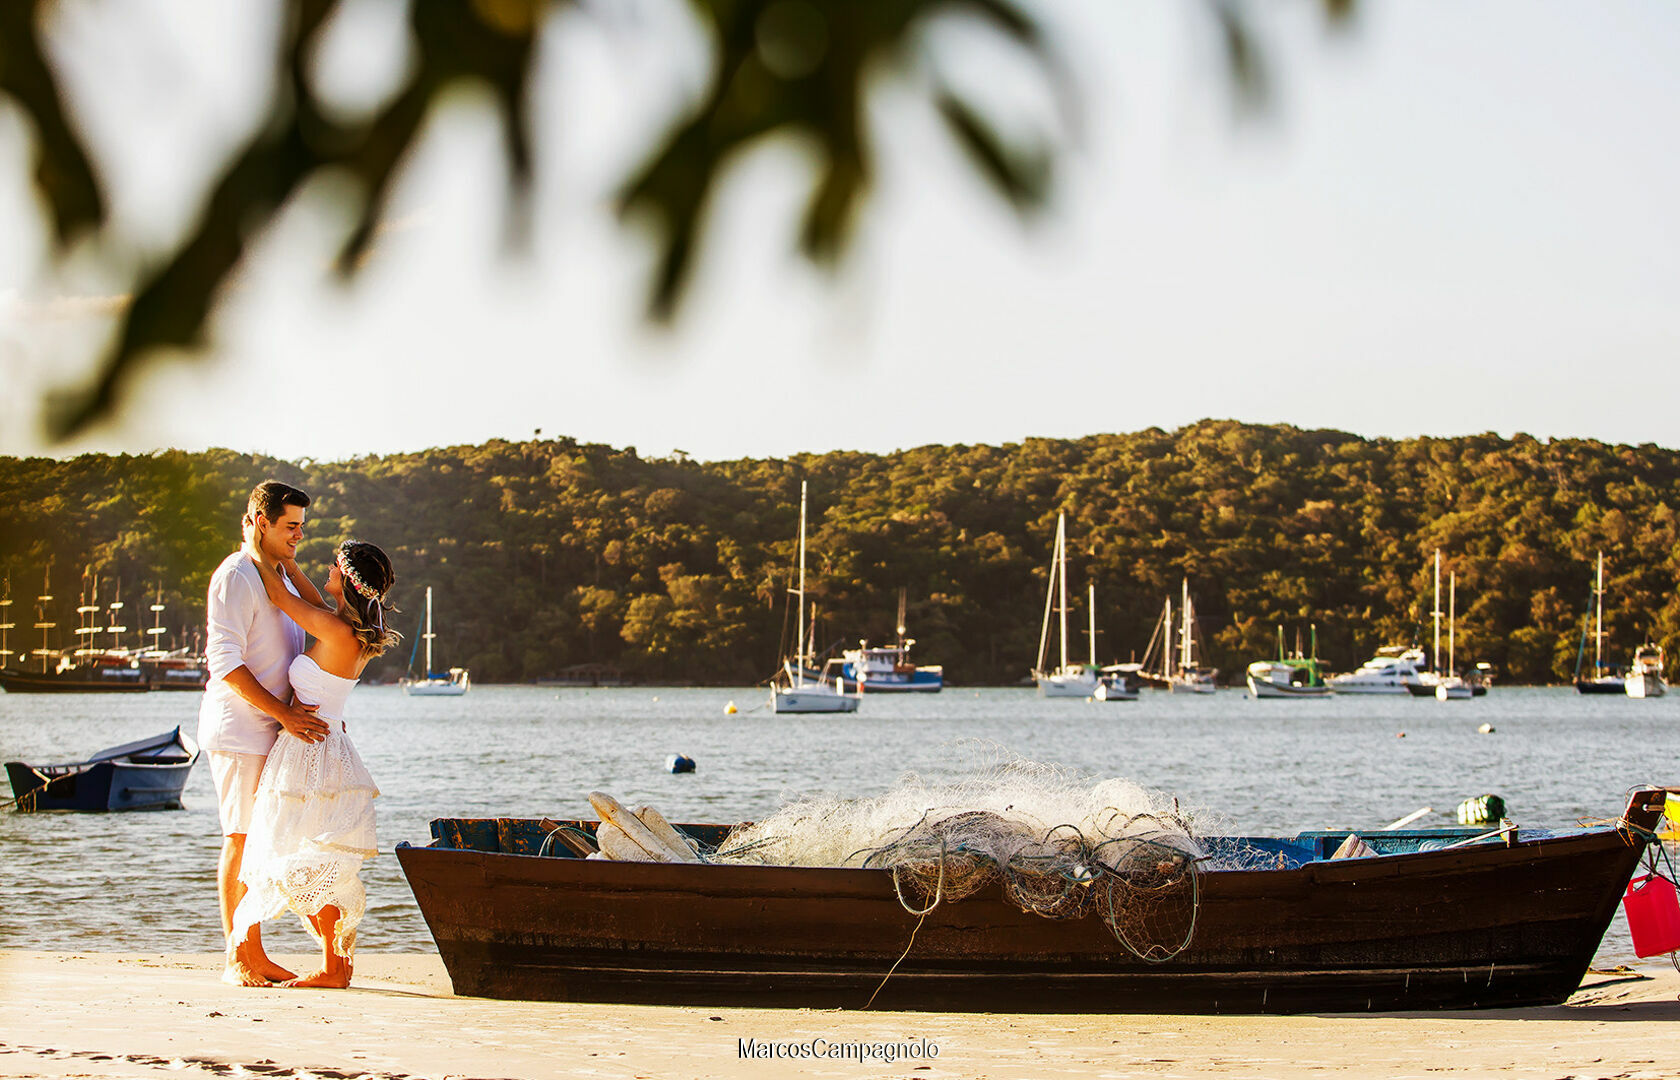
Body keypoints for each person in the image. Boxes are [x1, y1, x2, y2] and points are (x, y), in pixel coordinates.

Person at [231, 539, 400, 989]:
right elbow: (311, 600)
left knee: (309, 859)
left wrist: (260, 550)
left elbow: (283, 598)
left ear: (346, 579)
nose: (325, 573)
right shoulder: (348, 628)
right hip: (325, 745)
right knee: (318, 860)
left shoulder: (339, 631)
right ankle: (337, 966)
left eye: (333, 568)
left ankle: (331, 969)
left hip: (310, 748)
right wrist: (288, 560)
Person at [199, 480, 330, 987]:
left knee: (267, 841)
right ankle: (239, 956)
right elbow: (224, 662)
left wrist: (289, 564)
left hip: (276, 729)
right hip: (241, 729)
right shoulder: (234, 576)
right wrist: (285, 714)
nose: (299, 535)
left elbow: (323, 622)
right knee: (240, 836)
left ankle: (254, 948)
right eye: (290, 526)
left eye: (301, 526)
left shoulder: (280, 575)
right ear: (258, 521)